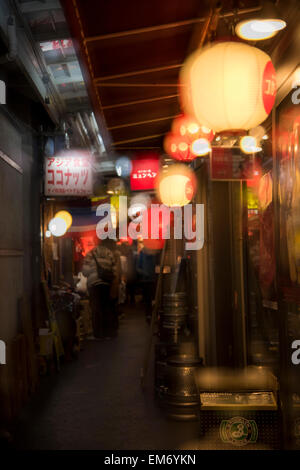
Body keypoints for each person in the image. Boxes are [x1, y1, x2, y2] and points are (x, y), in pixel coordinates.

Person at [82, 240, 117, 339]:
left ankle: (98, 334)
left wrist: (92, 271)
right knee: (106, 308)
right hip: (106, 284)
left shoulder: (90, 254)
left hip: (94, 284)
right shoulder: (109, 253)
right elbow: (114, 271)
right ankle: (107, 333)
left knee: (96, 309)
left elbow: (85, 272)